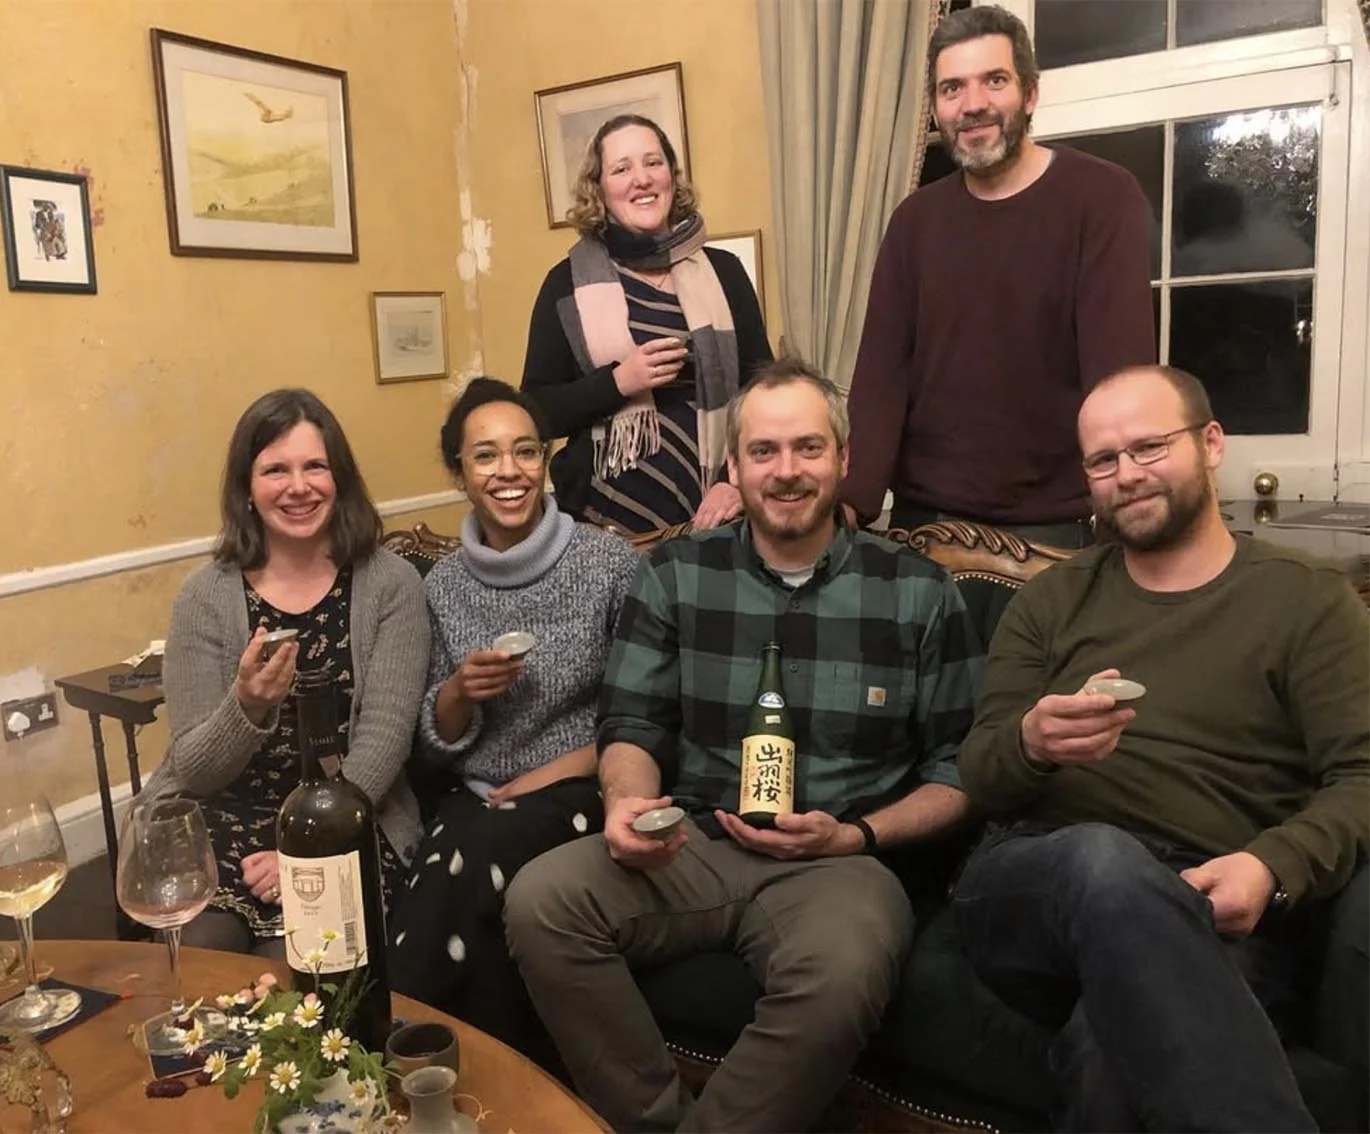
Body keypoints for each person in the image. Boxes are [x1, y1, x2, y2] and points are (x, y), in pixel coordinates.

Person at [504, 358, 984, 1132]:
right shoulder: (675, 575)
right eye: (764, 451)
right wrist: (627, 803)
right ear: (733, 465)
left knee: (843, 969)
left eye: (808, 448)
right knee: (540, 901)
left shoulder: (917, 591)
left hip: (842, 860)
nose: (786, 471)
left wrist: (857, 834)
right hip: (693, 842)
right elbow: (630, 723)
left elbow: (964, 770)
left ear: (844, 459)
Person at [954, 364, 1369, 1130]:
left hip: (1215, 898)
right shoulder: (1051, 600)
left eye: (1149, 447)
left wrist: (1270, 865)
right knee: (1105, 859)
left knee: (1109, 1059)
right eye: (1103, 461)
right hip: (1036, 878)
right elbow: (981, 775)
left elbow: (1361, 776)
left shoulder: (1306, 600)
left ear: (1211, 444)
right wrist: (1032, 741)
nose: (1128, 476)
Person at [387, 377, 639, 1057]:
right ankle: (470, 1077)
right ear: (461, 474)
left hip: (582, 784)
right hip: (481, 797)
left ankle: (403, 1053)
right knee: (445, 870)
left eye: (525, 452)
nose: (509, 472)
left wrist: (550, 773)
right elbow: (431, 742)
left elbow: (644, 713)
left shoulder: (608, 563)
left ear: (547, 460)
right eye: (486, 457)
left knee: (479, 856)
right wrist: (462, 692)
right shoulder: (440, 585)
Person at [841, 4, 1155, 547]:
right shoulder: (914, 220)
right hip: (926, 528)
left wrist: (1122, 526)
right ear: (936, 107)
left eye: (994, 81)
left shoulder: (1102, 198)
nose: (973, 105)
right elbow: (880, 378)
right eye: (952, 88)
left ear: (1030, 94)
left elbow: (1120, 382)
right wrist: (847, 507)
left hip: (1058, 531)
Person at [142, 388, 430, 959]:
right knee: (205, 963)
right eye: (275, 470)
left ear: (339, 479)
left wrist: (305, 845)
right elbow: (196, 771)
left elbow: (384, 741)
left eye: (314, 466)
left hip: (349, 818)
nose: (298, 487)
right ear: (247, 490)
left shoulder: (391, 585)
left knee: (302, 972)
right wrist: (245, 705)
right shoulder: (204, 597)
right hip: (222, 815)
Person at [520, 113, 773, 536]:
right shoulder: (564, 284)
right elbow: (535, 414)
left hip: (719, 519)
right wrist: (618, 382)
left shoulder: (724, 272)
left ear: (672, 176)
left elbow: (763, 394)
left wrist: (736, 484)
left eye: (653, 163)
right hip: (602, 529)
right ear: (598, 188)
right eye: (622, 168)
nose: (641, 179)